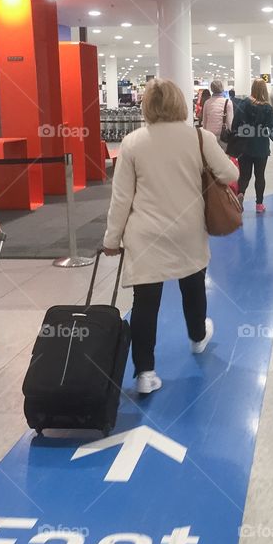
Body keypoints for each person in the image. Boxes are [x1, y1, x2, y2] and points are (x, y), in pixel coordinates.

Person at [102, 79, 238, 395]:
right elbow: (231, 176)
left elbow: (120, 198)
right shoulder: (199, 138)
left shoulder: (133, 142)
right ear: (181, 104)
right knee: (193, 285)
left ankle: (145, 373)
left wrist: (111, 240)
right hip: (188, 229)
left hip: (145, 233)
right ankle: (197, 337)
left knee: (145, 303)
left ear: (146, 106)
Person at [237, 79, 273, 213]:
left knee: (244, 175)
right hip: (261, 146)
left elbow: (236, 124)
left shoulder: (244, 103)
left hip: (244, 146)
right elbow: (272, 127)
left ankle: (240, 194)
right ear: (264, 90)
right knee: (260, 176)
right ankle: (259, 204)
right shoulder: (267, 107)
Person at [200, 80, 233, 150]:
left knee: (211, 158)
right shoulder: (228, 102)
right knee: (224, 158)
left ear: (211, 89)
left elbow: (204, 121)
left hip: (209, 135)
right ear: (222, 88)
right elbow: (230, 123)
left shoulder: (207, 102)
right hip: (223, 135)